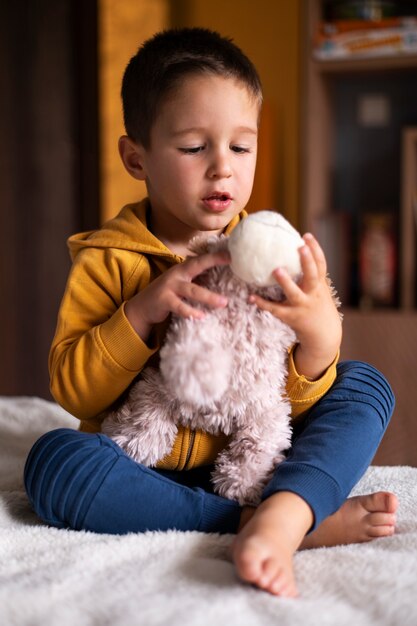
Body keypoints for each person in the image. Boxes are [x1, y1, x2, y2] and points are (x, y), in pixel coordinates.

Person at [24, 27, 397, 598]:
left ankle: (287, 509)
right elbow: (74, 392)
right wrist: (143, 312)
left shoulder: (262, 256)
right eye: (195, 147)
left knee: (365, 384)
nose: (223, 168)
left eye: (240, 147)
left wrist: (319, 344)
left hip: (251, 459)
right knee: (53, 463)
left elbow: (280, 403)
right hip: (144, 471)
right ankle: (262, 523)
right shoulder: (107, 261)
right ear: (136, 157)